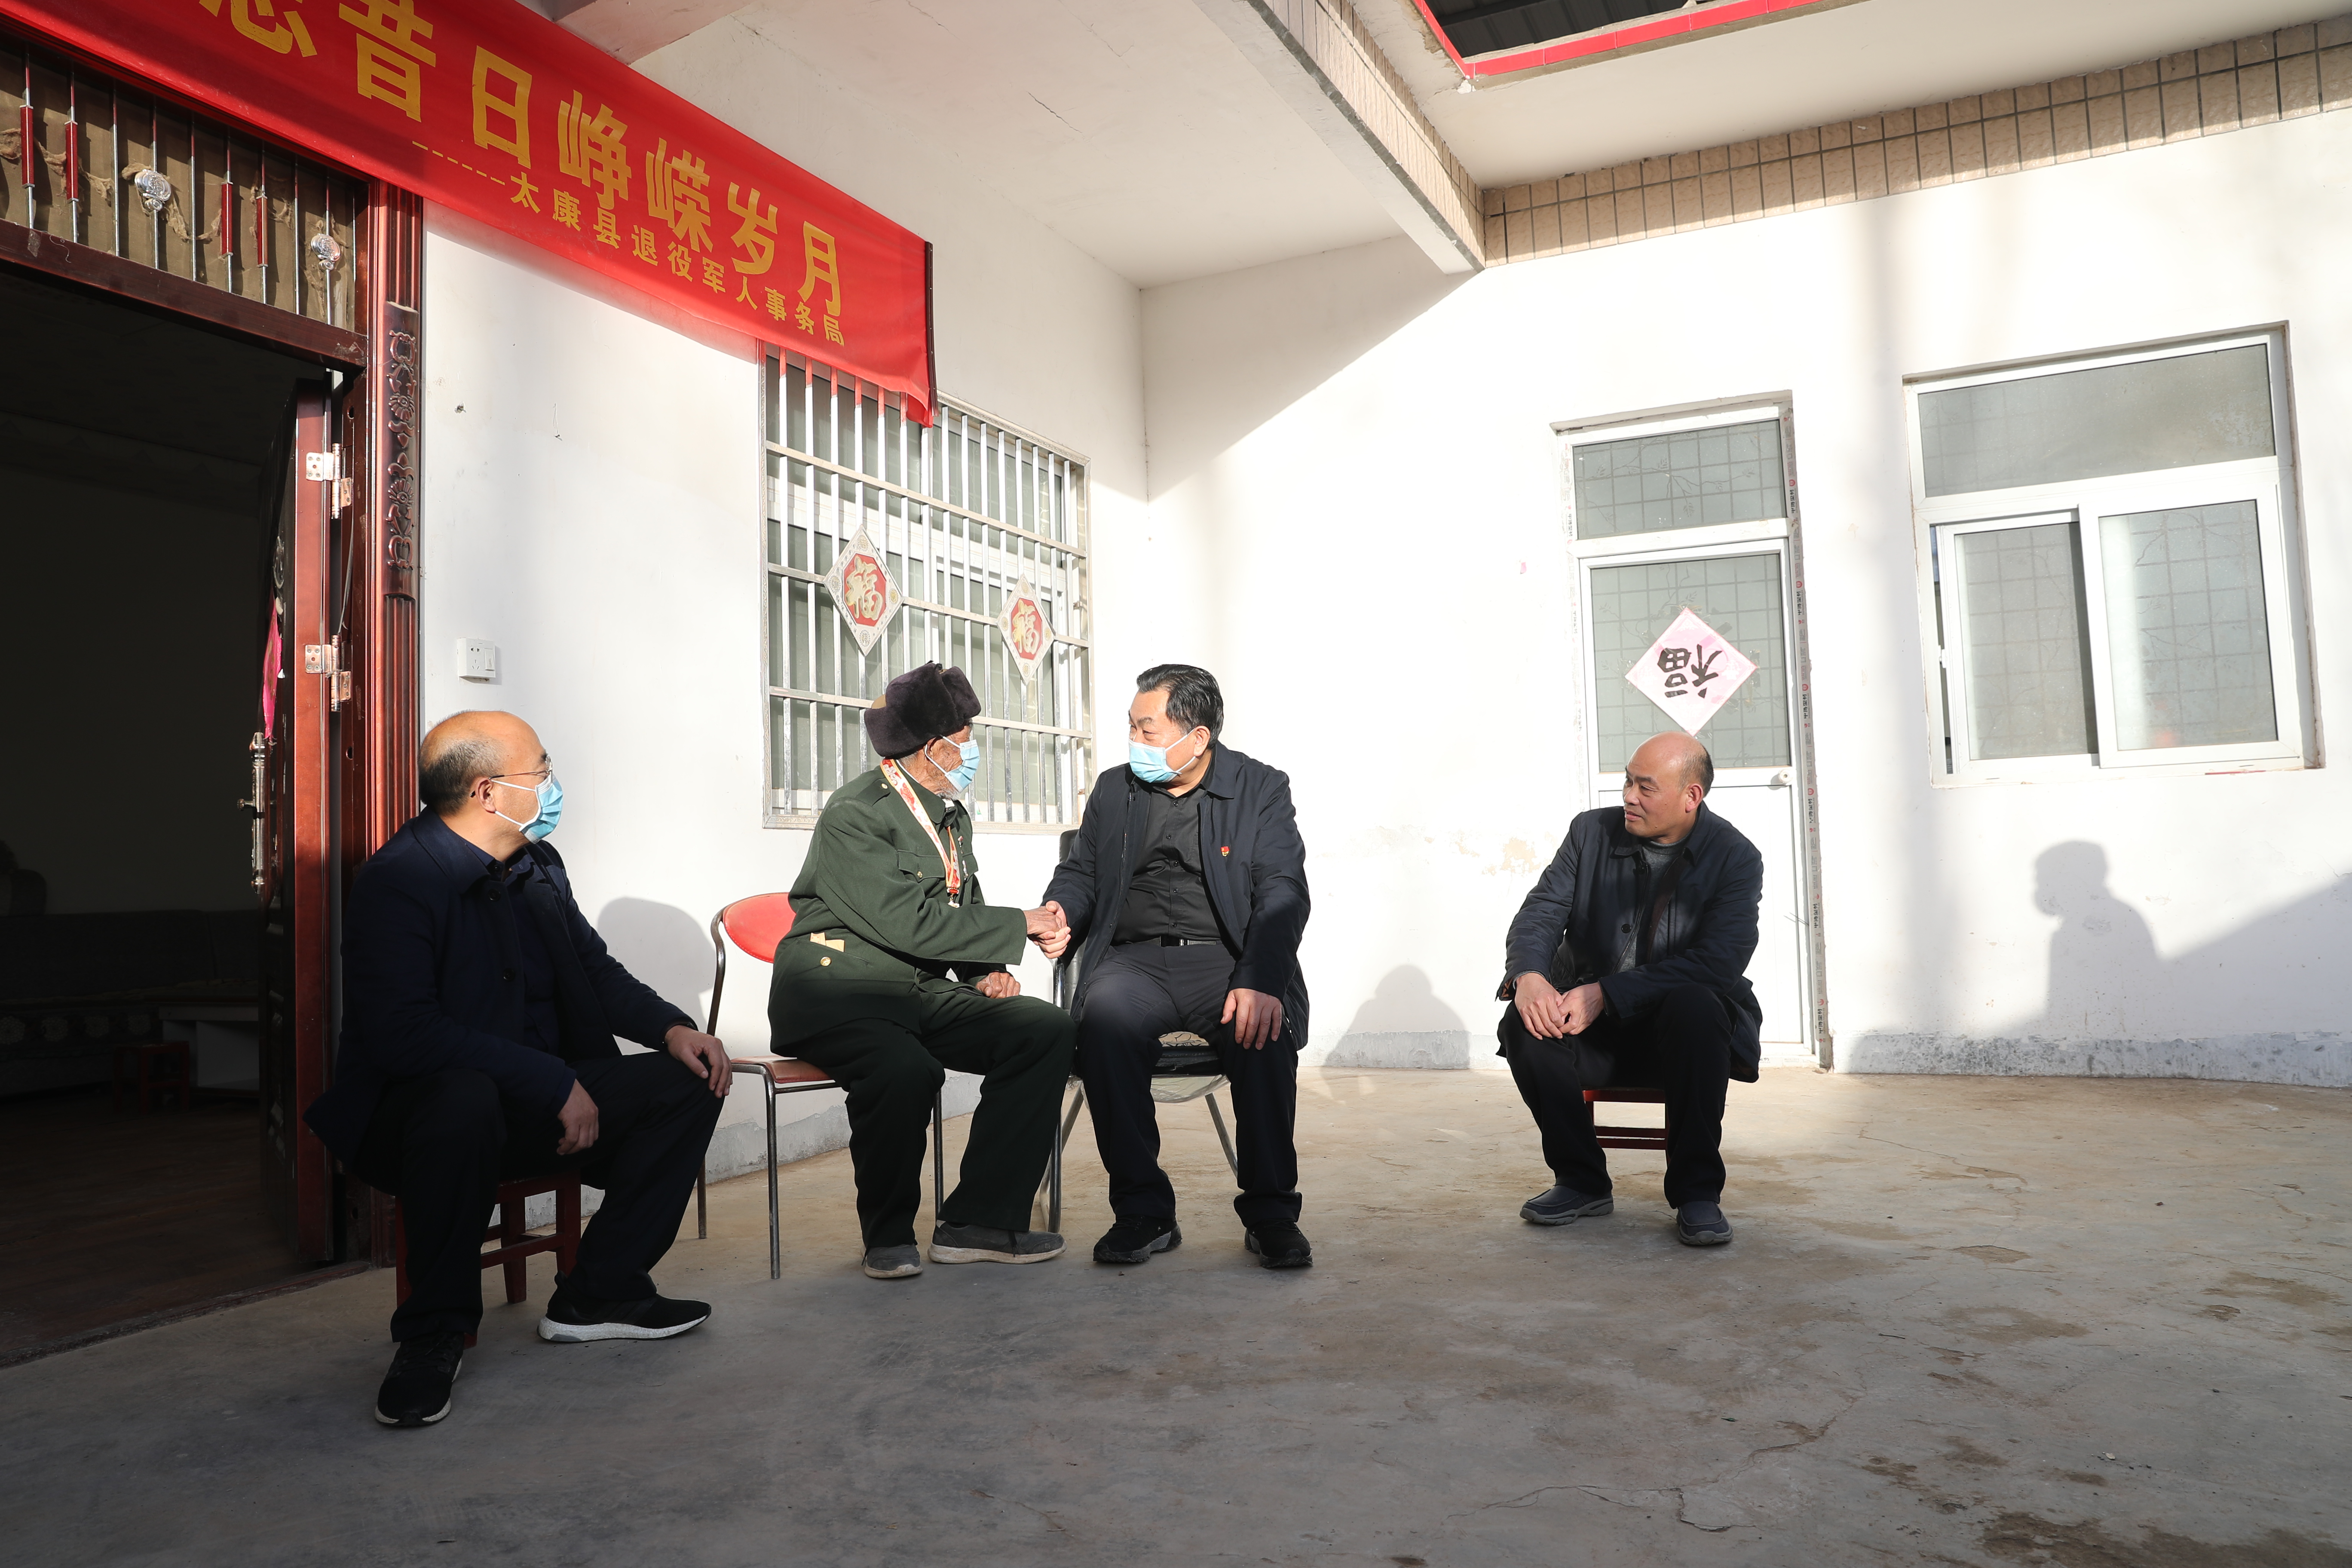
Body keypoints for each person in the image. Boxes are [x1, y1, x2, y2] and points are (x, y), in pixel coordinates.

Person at [306, 711, 732, 1430]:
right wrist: (552, 1081)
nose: (553, 784)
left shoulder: (539, 865)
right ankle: (432, 1334)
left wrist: (672, 1028)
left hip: (537, 1104)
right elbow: (405, 1034)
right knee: (463, 1097)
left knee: (692, 1079)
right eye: (541, 770)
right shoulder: (399, 881)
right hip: (426, 1121)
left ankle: (599, 1291)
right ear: (486, 791)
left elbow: (594, 971)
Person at [769, 662, 1075, 1280]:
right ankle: (886, 1236)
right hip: (841, 991)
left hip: (915, 991)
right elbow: (907, 922)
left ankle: (979, 1222)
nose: (972, 748)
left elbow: (959, 901)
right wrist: (1022, 923)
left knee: (1044, 1030)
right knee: (904, 1069)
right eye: (965, 736)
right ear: (933, 746)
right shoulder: (856, 813)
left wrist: (984, 972)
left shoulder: (948, 813)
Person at [1040, 664, 1314, 1269]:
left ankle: (1271, 1214)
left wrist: (1260, 980)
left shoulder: (1260, 789)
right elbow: (1081, 873)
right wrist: (1061, 909)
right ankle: (1144, 1212)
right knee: (1104, 1023)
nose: (1134, 741)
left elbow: (1283, 891)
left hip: (1227, 961)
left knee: (1263, 1032)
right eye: (1132, 728)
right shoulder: (1115, 791)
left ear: (1198, 737)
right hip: (1133, 962)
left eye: (1148, 730)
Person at [1496, 731, 1763, 1247]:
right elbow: (1542, 911)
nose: (1628, 797)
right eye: (1627, 782)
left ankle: (1697, 1193)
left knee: (1697, 1004)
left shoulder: (1735, 857)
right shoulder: (1590, 833)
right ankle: (1581, 1181)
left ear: (1691, 796)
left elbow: (1720, 962)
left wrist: (1607, 993)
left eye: (1645, 787)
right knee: (1526, 1021)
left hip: (1683, 1044)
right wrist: (1528, 976)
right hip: (1595, 1038)